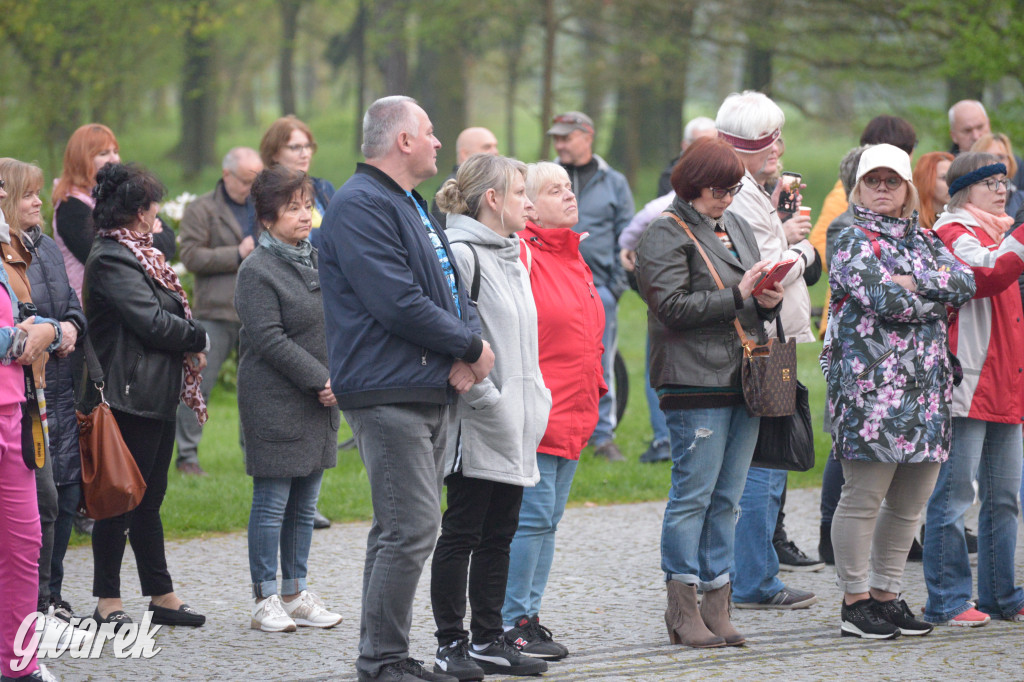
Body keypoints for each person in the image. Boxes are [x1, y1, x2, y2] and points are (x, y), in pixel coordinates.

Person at [319, 95, 493, 682]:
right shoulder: (360, 204)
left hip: (426, 386)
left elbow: (452, 289)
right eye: (430, 131)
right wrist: (469, 348)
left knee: (399, 529)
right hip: (387, 391)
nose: (439, 142)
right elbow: (397, 300)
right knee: (413, 527)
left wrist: (471, 346)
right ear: (402, 141)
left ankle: (384, 653)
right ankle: (382, 660)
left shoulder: (410, 202)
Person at [635, 136, 783, 647]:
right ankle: (682, 609)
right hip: (692, 379)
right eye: (722, 188)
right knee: (692, 496)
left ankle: (718, 602)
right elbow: (671, 308)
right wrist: (737, 295)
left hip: (744, 377)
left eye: (735, 188)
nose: (728, 197)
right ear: (693, 182)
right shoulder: (664, 232)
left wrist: (765, 300)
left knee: (728, 498)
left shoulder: (736, 224)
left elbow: (746, 299)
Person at [826, 143, 975, 639]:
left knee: (911, 502)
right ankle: (855, 601)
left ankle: (887, 595)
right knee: (864, 496)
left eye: (893, 181)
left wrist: (916, 283)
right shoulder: (848, 237)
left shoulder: (926, 238)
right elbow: (885, 298)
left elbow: (964, 281)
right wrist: (923, 295)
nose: (883, 189)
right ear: (858, 187)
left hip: (928, 392)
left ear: (908, 188)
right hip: (872, 393)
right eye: (874, 181)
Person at [429, 154, 550, 679]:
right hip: (478, 423)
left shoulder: (514, 253)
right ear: (493, 200)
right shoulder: (459, 254)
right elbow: (454, 344)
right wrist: (490, 404)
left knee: (500, 533)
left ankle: (488, 637)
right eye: (521, 192)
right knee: (463, 532)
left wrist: (532, 401)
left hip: (518, 423)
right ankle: (450, 643)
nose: (529, 202)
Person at [83, 163, 209, 631]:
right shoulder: (113, 257)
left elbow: (162, 315)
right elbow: (151, 322)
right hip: (126, 394)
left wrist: (186, 343)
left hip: (155, 390)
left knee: (150, 499)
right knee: (119, 499)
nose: (159, 219)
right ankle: (107, 603)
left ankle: (162, 595)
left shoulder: (141, 253)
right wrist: (197, 339)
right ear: (139, 213)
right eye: (155, 210)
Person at [716, 91, 822, 605]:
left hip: (771, 338)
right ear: (745, 145)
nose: (779, 145)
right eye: (769, 138)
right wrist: (806, 248)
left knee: (762, 457)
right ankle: (756, 578)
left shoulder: (748, 190)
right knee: (766, 460)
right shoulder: (740, 195)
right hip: (764, 342)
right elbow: (768, 267)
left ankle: (749, 573)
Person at [500, 162, 605, 660]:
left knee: (548, 522)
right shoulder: (523, 253)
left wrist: (598, 387)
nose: (568, 195)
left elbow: (586, 331)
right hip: (539, 413)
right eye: (553, 189)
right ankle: (510, 621)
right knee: (532, 521)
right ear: (528, 203)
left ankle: (528, 617)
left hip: (575, 410)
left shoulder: (573, 255)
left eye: (570, 187)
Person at [235, 166, 342, 633]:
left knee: (304, 503)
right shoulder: (257, 269)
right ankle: (265, 598)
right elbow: (269, 338)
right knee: (273, 500)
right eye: (294, 207)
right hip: (276, 399)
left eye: (308, 205)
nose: (306, 215)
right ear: (266, 216)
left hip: (319, 398)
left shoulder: (315, 258)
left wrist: (338, 375)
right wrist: (321, 377)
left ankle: (297, 592)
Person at [922, 152, 1024, 627]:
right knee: (954, 497)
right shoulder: (951, 233)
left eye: (1004, 181)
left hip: (1004, 382)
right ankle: (946, 599)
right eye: (991, 182)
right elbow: (987, 273)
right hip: (967, 381)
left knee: (1004, 499)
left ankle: (1002, 596)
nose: (1002, 189)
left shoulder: (998, 232)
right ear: (966, 190)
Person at [0, 159, 88, 643]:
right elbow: (24, 322)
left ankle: (48, 599)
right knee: (39, 504)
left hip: (49, 391)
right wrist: (48, 331)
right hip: (22, 391)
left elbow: (69, 307)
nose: (39, 201)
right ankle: (29, 610)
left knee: (57, 503)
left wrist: (68, 326)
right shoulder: (6, 253)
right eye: (29, 194)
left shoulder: (46, 247)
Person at [620, 116, 717, 464]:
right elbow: (639, 225)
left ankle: (676, 439)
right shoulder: (675, 185)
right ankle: (665, 437)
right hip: (670, 288)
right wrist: (627, 251)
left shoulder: (723, 186)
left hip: (702, 297)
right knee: (661, 354)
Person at [0, 169, 62, 682]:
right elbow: (21, 332)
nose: (5, 193)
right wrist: (26, 337)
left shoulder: (11, 252)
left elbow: (43, 315)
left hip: (17, 411)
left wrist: (49, 328)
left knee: (25, 542)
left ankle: (20, 665)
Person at [548, 110, 633, 461]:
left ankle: (602, 437)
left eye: (566, 137)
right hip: (552, 289)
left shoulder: (614, 182)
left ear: (588, 136)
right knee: (553, 362)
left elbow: (628, 236)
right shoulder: (544, 176)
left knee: (601, 362)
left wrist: (614, 287)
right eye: (556, 138)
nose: (560, 144)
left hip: (599, 289)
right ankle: (555, 433)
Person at [174, 147, 263, 477]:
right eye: (245, 181)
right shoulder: (202, 208)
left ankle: (254, 457)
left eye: (257, 181)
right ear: (226, 175)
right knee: (199, 385)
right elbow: (191, 256)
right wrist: (236, 253)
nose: (251, 188)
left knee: (256, 390)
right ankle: (187, 457)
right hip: (215, 312)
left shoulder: (263, 206)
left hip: (256, 313)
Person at [52, 124, 174, 303]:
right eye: (104, 154)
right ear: (81, 159)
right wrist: (145, 233)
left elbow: (169, 241)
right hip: (90, 310)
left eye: (115, 151)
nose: (115, 159)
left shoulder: (119, 194)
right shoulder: (71, 207)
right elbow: (107, 257)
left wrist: (128, 238)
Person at [259, 116, 334, 247]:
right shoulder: (264, 194)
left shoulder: (323, 187)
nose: (305, 154)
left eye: (307, 146)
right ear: (274, 153)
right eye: (295, 147)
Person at [429, 127, 500, 226]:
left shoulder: (486, 183)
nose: (495, 152)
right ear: (465, 154)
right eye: (487, 147)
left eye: (495, 146)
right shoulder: (452, 187)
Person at [656, 116, 718, 197]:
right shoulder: (671, 176)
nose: (707, 149)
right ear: (685, 145)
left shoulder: (727, 170)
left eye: (713, 143)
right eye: (700, 144)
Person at [971, 133, 1024, 217]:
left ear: (1010, 162)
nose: (995, 163)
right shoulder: (967, 203)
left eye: (1000, 157)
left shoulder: (1021, 200)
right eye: (988, 157)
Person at [912, 152, 955, 230]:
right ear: (925, 180)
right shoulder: (910, 223)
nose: (953, 184)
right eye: (944, 178)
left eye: (955, 178)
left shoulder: (962, 219)